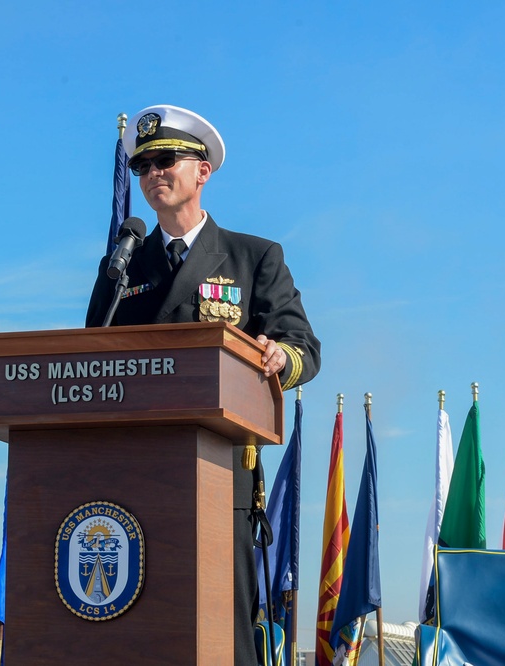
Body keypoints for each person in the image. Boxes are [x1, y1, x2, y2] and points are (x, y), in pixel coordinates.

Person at [86, 104, 320, 666]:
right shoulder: (122, 265)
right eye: (142, 166)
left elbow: (303, 349)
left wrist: (275, 358)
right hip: (130, 478)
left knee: (219, 638)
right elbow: (91, 359)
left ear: (202, 171)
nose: (152, 175)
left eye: (166, 160)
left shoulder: (253, 257)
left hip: (220, 477)